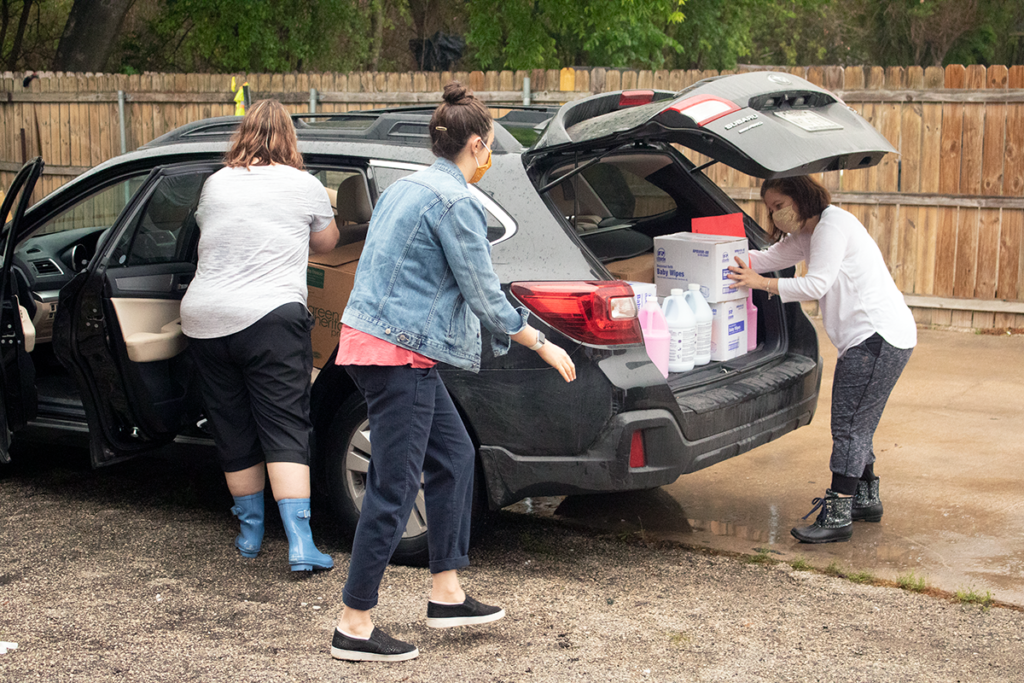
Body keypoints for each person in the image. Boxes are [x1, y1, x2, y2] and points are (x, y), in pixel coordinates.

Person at [330, 82, 577, 662]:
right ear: (476, 144)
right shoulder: (456, 201)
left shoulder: (404, 188)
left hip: (379, 345)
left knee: (455, 455)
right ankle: (354, 624)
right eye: (489, 146)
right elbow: (485, 294)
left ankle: (446, 590)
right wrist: (539, 342)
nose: (490, 156)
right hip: (399, 356)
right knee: (392, 488)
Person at [181, 99, 340, 571]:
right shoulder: (305, 184)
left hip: (205, 319)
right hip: (270, 316)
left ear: (242, 135)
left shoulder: (215, 183)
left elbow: (211, 230)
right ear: (290, 138)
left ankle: (249, 535)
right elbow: (327, 243)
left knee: (232, 425)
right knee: (285, 425)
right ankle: (300, 544)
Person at [727, 175, 916, 544]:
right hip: (876, 338)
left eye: (779, 205)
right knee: (858, 422)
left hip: (875, 339)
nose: (775, 214)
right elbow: (767, 258)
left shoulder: (831, 227)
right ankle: (865, 500)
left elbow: (817, 284)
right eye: (769, 209)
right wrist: (712, 255)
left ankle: (838, 517)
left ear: (800, 197)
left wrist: (760, 283)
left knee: (849, 427)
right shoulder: (811, 232)